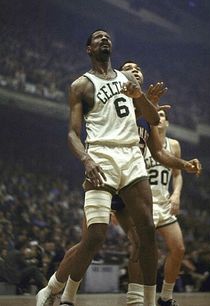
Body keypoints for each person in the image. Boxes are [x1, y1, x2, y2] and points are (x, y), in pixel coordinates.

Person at [57, 61, 201, 306]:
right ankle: (55, 287)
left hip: (131, 184)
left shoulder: (145, 109)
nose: (134, 69)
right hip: (106, 175)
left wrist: (182, 164)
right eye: (128, 67)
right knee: (89, 241)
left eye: (138, 68)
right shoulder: (111, 100)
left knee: (140, 241)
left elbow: (159, 152)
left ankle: (137, 299)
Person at [36, 29, 163, 306]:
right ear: (88, 49)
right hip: (101, 157)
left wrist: (141, 96)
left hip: (130, 156)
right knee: (94, 237)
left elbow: (153, 119)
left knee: (147, 233)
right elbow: (72, 133)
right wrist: (86, 158)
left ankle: (147, 301)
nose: (104, 39)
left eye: (107, 37)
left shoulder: (128, 79)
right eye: (97, 37)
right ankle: (61, 291)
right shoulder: (80, 85)